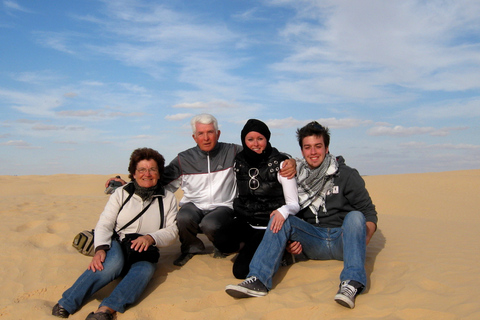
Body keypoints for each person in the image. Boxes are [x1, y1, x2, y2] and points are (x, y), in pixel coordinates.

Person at [105, 114, 296, 267]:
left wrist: (290, 160)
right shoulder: (183, 159)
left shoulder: (233, 151)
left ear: (218, 134)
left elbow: (260, 150)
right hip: (193, 205)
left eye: (210, 132)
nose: (206, 137)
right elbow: (156, 179)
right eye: (201, 133)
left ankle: (222, 247)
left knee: (210, 224)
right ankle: (191, 248)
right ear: (194, 136)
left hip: (223, 206)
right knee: (183, 218)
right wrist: (124, 181)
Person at [225, 121, 378, 309]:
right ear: (302, 150)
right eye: (307, 147)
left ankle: (351, 283)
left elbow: (369, 212)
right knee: (280, 215)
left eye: (318, 146)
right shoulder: (296, 172)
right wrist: (290, 243)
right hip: (312, 239)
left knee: (356, 216)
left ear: (327, 148)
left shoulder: (346, 175)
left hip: (342, 240)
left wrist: (364, 237)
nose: (313, 152)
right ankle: (259, 280)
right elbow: (290, 205)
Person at [53, 148, 178, 319]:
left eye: (152, 169)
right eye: (141, 169)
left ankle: (105, 311)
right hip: (118, 243)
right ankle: (66, 302)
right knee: (111, 264)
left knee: (144, 270)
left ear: (159, 173)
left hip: (146, 248)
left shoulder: (168, 198)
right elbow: (105, 223)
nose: (147, 174)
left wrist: (151, 238)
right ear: (134, 173)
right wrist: (100, 249)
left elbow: (172, 230)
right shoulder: (121, 193)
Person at [230, 119, 299, 279]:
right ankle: (253, 248)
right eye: (250, 139)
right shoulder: (239, 162)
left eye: (260, 138)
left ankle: (275, 250)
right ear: (244, 141)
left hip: (269, 226)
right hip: (248, 222)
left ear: (267, 139)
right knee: (222, 237)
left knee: (240, 272)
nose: (255, 143)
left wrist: (283, 211)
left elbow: (293, 204)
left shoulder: (282, 164)